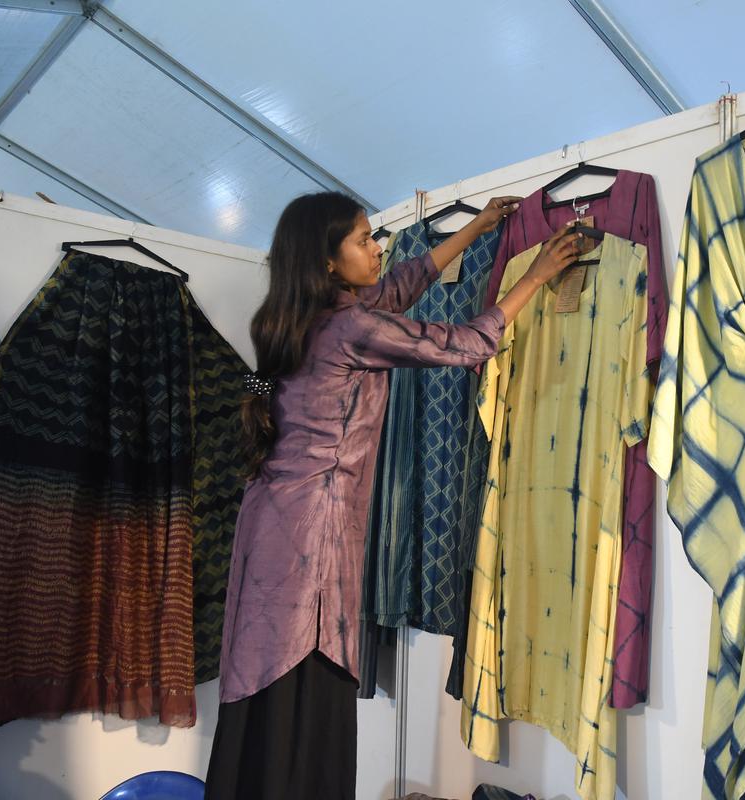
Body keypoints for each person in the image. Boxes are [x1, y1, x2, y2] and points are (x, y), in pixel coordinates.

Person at [204, 191, 582, 799]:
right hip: (314, 539)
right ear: (327, 261)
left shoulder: (286, 321)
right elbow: (465, 346)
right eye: (362, 240)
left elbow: (403, 284)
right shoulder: (350, 327)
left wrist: (478, 227)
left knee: (263, 681)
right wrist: (535, 276)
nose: (378, 248)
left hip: (266, 526)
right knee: (305, 680)